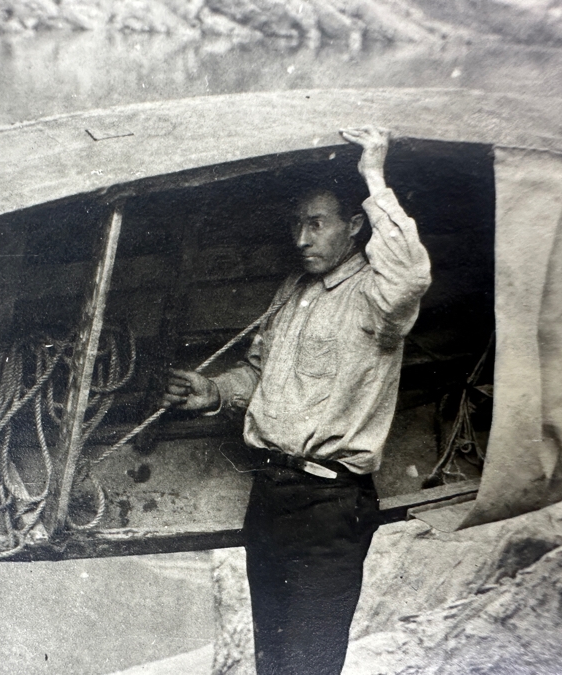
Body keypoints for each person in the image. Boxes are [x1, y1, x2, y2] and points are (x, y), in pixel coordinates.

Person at [164, 126, 431, 675]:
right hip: (270, 497)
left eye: (317, 224)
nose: (302, 239)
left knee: (309, 666)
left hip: (329, 505)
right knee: (274, 663)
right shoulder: (292, 290)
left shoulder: (375, 298)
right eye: (296, 225)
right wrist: (214, 392)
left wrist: (373, 177)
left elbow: (410, 275)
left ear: (354, 226)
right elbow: (260, 374)